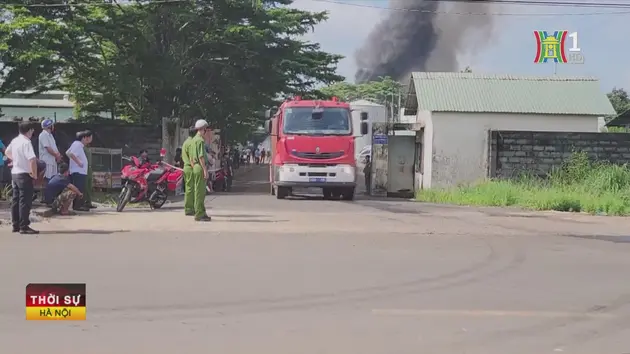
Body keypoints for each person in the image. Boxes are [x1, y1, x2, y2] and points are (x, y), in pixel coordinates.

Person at [5, 122, 39, 234]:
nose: (32, 133)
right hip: (24, 174)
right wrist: (34, 174)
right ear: (29, 131)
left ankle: (16, 225)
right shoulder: (26, 142)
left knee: (16, 200)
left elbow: (7, 152)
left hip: (15, 173)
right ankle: (24, 226)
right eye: (32, 131)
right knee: (25, 201)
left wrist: (16, 160)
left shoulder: (15, 140)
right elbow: (32, 159)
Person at [187, 119, 212, 222]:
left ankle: (202, 212)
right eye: (206, 129)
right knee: (200, 192)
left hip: (195, 167)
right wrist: (205, 170)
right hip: (200, 167)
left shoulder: (193, 140)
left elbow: (191, 157)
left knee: (199, 191)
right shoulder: (200, 140)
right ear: (203, 129)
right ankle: (199, 214)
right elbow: (201, 156)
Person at [66, 130, 92, 212]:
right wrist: (79, 162)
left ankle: (78, 205)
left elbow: (67, 152)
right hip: (78, 171)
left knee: (79, 188)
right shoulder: (77, 144)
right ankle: (78, 205)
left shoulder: (77, 144)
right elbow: (71, 154)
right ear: (83, 138)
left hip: (78, 171)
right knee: (79, 188)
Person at [38, 119, 62, 203]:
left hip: (52, 160)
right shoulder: (43, 135)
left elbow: (54, 148)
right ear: (50, 126)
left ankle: (50, 197)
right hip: (46, 161)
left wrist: (58, 155)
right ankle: (45, 198)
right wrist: (56, 155)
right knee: (46, 179)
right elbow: (47, 148)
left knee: (52, 179)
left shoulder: (50, 135)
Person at [181, 126, 197, 216]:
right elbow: (192, 158)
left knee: (188, 188)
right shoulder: (192, 143)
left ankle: (189, 208)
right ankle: (189, 208)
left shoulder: (186, 142)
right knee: (191, 189)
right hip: (191, 167)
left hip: (186, 167)